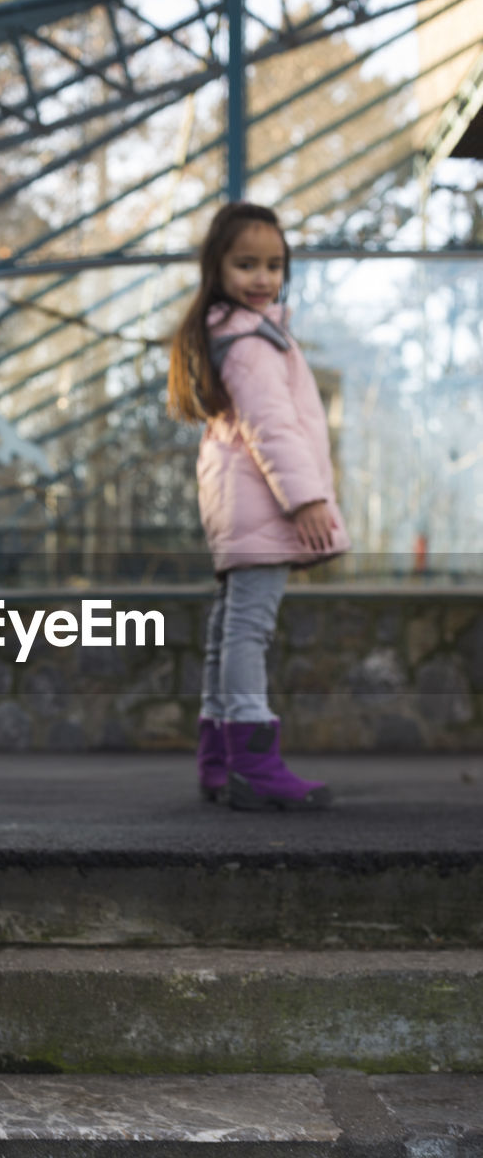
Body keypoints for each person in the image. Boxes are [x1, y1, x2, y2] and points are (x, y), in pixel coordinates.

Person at [167, 201, 350, 811]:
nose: (263, 277)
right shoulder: (249, 341)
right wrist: (307, 499)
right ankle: (253, 761)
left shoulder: (236, 332)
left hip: (240, 503)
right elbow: (273, 426)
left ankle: (219, 760)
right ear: (216, 267)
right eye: (246, 263)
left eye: (274, 264)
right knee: (250, 629)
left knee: (228, 631)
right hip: (266, 505)